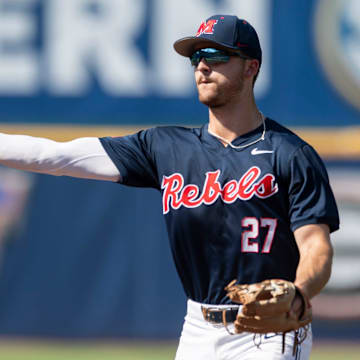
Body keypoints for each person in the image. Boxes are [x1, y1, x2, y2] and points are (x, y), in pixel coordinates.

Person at [0, 14, 339, 360]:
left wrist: (299, 293)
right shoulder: (166, 147)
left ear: (251, 67)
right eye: (196, 57)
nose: (203, 66)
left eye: (216, 55)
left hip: (268, 330)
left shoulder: (290, 154)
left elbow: (316, 247)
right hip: (197, 329)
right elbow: (56, 156)